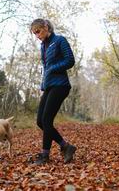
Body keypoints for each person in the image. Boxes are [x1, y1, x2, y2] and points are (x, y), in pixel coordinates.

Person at [30, 18, 77, 165]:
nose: (37, 35)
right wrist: (43, 84)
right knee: (40, 121)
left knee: (47, 120)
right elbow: (45, 67)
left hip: (61, 85)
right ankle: (66, 146)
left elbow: (70, 60)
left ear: (45, 27)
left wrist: (53, 68)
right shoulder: (43, 46)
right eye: (34, 33)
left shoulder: (60, 40)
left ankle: (45, 155)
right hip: (50, 86)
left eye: (38, 31)